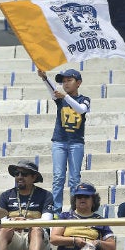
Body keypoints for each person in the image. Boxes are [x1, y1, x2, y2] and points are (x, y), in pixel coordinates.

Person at [37, 69, 90, 214]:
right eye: (64, 81)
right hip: (59, 141)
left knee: (74, 179)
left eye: (69, 80)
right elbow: (52, 89)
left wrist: (65, 96)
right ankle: (56, 210)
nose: (65, 84)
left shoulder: (84, 99)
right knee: (58, 177)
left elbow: (80, 110)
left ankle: (74, 209)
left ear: (78, 83)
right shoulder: (61, 98)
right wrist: (44, 78)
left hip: (76, 143)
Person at [0, 160, 54, 250]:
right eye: (17, 174)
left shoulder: (45, 195)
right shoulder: (6, 195)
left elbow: (47, 221)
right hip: (14, 239)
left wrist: (27, 222)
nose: (19, 177)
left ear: (34, 177)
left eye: (24, 174)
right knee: (3, 229)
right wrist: (13, 222)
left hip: (37, 240)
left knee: (36, 228)